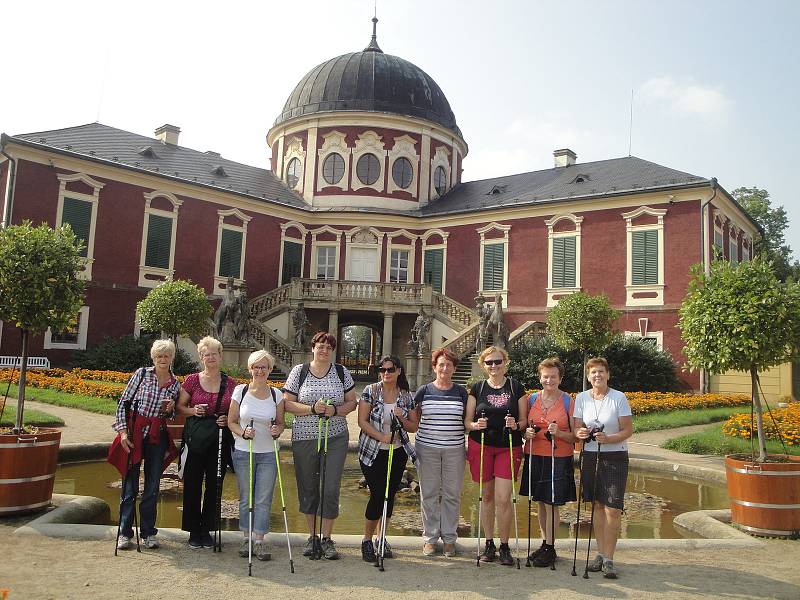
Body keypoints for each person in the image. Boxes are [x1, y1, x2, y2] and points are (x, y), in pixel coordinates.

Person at [283, 331, 357, 560]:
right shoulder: (299, 371)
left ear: (332, 351)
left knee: (330, 486)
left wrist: (335, 410)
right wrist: (311, 409)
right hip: (305, 436)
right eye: (320, 346)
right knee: (308, 485)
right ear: (312, 348)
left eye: (328, 347)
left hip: (335, 436)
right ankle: (312, 536)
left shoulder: (341, 371)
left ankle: (326, 538)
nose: (324, 350)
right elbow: (287, 403)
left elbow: (352, 402)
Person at [114, 339, 181, 551]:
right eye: (159, 356)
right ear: (153, 358)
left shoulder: (175, 384)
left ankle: (148, 533)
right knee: (129, 486)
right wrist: (123, 433)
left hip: (156, 437)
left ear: (171, 358)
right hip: (134, 434)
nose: (163, 359)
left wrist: (171, 410)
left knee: (152, 487)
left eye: (167, 356)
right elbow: (123, 403)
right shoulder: (142, 375)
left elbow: (171, 417)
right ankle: (124, 533)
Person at [465, 345, 527, 566]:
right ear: (483, 365)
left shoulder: (515, 387)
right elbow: (467, 422)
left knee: (503, 498)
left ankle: (504, 545)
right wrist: (475, 424)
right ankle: (489, 543)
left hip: (507, 446)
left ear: (505, 363)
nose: (494, 366)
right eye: (489, 362)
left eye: (498, 362)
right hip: (481, 445)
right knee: (487, 497)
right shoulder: (477, 388)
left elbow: (524, 422)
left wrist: (516, 424)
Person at [573, 357, 633, 580]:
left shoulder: (618, 398)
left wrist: (609, 439)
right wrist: (579, 434)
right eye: (593, 373)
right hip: (589, 456)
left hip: (615, 456)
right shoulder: (581, 398)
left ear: (608, 374)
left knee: (613, 508)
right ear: (588, 377)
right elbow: (577, 427)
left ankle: (609, 558)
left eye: (601, 372)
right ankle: (599, 554)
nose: (597, 376)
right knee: (597, 505)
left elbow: (627, 430)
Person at [176, 336, 237, 549]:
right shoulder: (192, 380)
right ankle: (193, 530)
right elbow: (180, 406)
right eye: (206, 354)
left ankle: (207, 529)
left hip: (219, 438)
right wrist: (193, 410)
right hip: (196, 438)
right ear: (201, 357)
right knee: (192, 484)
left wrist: (227, 419)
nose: (211, 357)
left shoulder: (230, 383)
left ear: (221, 356)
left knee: (215, 485)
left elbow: (235, 411)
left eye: (214, 353)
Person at [357, 355, 418, 562]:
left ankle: (381, 538)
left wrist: (402, 417)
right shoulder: (371, 391)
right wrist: (382, 437)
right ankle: (367, 540)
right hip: (372, 450)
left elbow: (413, 427)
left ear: (398, 371)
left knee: (389, 496)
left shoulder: (407, 396)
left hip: (397, 451)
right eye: (382, 370)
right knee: (377, 494)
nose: (385, 373)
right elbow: (362, 422)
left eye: (390, 370)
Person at [408, 348, 467, 558]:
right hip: (427, 448)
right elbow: (414, 421)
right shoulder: (424, 391)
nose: (444, 368)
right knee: (429, 493)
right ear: (434, 367)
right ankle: (430, 538)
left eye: (448, 365)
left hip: (454, 449)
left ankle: (450, 538)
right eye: (441, 364)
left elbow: (466, 422)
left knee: (452, 494)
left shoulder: (461, 393)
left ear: (454, 368)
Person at [228, 350, 285, 561]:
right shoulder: (240, 391)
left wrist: (277, 430)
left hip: (269, 453)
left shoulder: (276, 395)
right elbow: (231, 421)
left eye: (264, 367)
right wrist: (243, 432)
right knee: (246, 497)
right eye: (256, 367)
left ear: (270, 369)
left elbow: (281, 423)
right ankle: (246, 538)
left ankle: (259, 540)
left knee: (263, 499)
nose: (260, 371)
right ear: (250, 369)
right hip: (244, 451)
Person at [520, 357, 576, 567]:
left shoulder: (568, 401)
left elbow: (575, 437)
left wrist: (559, 433)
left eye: (553, 376)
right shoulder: (531, 400)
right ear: (540, 377)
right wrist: (526, 433)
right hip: (535, 454)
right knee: (541, 503)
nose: (549, 380)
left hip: (558, 457)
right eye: (545, 376)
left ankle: (551, 547)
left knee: (552, 504)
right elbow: (523, 427)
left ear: (560, 378)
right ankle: (545, 543)